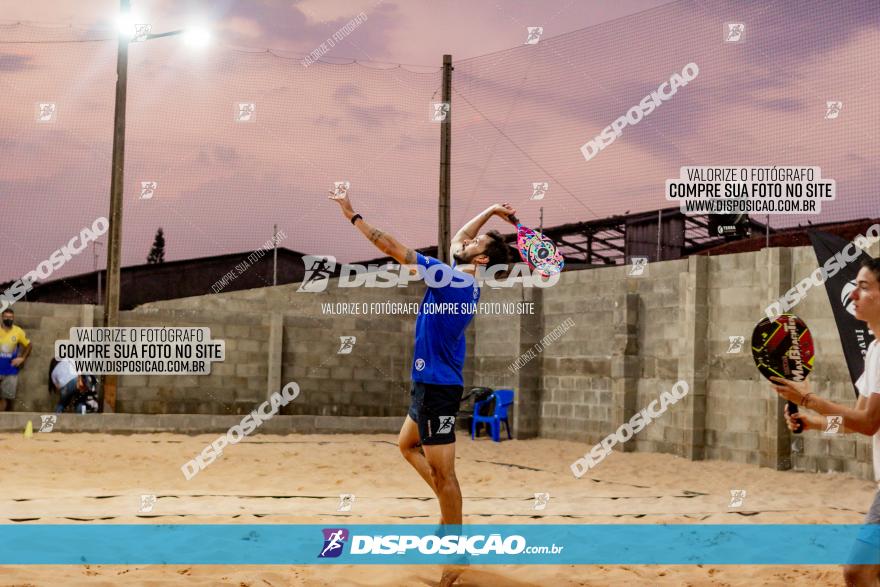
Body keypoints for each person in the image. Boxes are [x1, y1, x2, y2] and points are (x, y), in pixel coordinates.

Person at [329, 188, 513, 586]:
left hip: (438, 387)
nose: (464, 241)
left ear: (480, 259)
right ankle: (451, 518)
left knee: (445, 476)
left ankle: (455, 549)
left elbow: (396, 248)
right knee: (406, 446)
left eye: (475, 244)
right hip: (427, 382)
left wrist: (352, 216)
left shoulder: (451, 279)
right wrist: (492, 211)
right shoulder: (465, 277)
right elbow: (458, 238)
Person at [771, 256, 880, 586]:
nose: (853, 295)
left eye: (864, 287)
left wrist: (807, 398)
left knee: (857, 572)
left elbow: (868, 423)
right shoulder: (875, 349)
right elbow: (855, 423)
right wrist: (814, 423)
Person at [0, 308, 32, 412]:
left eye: (11, 317)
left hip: (10, 370)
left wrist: (22, 358)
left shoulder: (18, 331)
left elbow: (29, 345)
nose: (8, 319)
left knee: (6, 398)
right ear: (2, 317)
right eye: (6, 317)